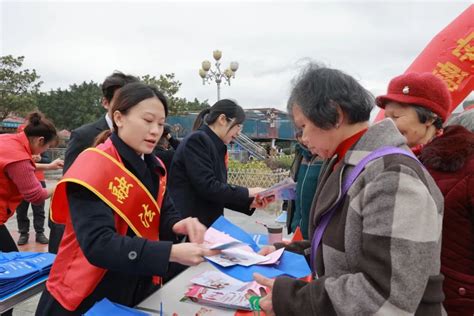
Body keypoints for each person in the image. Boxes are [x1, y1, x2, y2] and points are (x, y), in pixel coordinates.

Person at [251, 64, 445, 315]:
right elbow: (351, 247)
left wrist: (293, 299)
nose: (302, 138)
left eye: (303, 127)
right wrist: (291, 252)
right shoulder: (347, 162)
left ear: (334, 114)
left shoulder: (393, 176)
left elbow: (385, 296)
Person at [36, 82, 217, 315]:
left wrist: (177, 224)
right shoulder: (93, 165)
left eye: (161, 124)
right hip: (84, 294)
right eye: (147, 120)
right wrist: (171, 253)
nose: (155, 131)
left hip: (133, 287)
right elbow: (98, 244)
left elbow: (163, 210)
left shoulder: (155, 165)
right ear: (119, 118)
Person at [376, 72, 474, 315]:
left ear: (429, 119)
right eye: (385, 117)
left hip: (455, 301)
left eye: (396, 116)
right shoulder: (402, 161)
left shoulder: (467, 166)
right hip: (408, 294)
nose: (387, 125)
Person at [48, 71, 139, 254]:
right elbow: (71, 184)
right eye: (121, 102)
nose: (128, 107)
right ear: (105, 102)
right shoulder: (84, 136)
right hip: (89, 230)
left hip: (127, 230)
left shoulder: (140, 135)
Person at [168, 99, 268, 228]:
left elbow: (217, 192)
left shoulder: (214, 145)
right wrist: (249, 192)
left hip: (205, 225)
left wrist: (250, 202)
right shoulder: (197, 141)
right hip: (191, 225)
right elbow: (208, 187)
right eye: (238, 126)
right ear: (222, 119)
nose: (238, 132)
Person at [0, 111, 58, 316]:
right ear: (40, 140)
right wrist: (64, 184)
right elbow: (36, 195)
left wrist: (49, 166)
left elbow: (26, 166)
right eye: (47, 147)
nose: (46, 151)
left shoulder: (8, 140)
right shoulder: (17, 156)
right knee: (10, 273)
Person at [16, 151, 63, 245]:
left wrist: (40, 159)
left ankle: (40, 233)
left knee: (39, 210)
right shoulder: (19, 148)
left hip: (38, 180)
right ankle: (23, 233)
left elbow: (48, 160)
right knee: (21, 209)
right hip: (21, 180)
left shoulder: (39, 146)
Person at [285, 130, 322, 239]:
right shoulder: (300, 154)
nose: (303, 140)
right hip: (297, 228)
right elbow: (294, 182)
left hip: (316, 232)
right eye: (299, 135)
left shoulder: (326, 156)